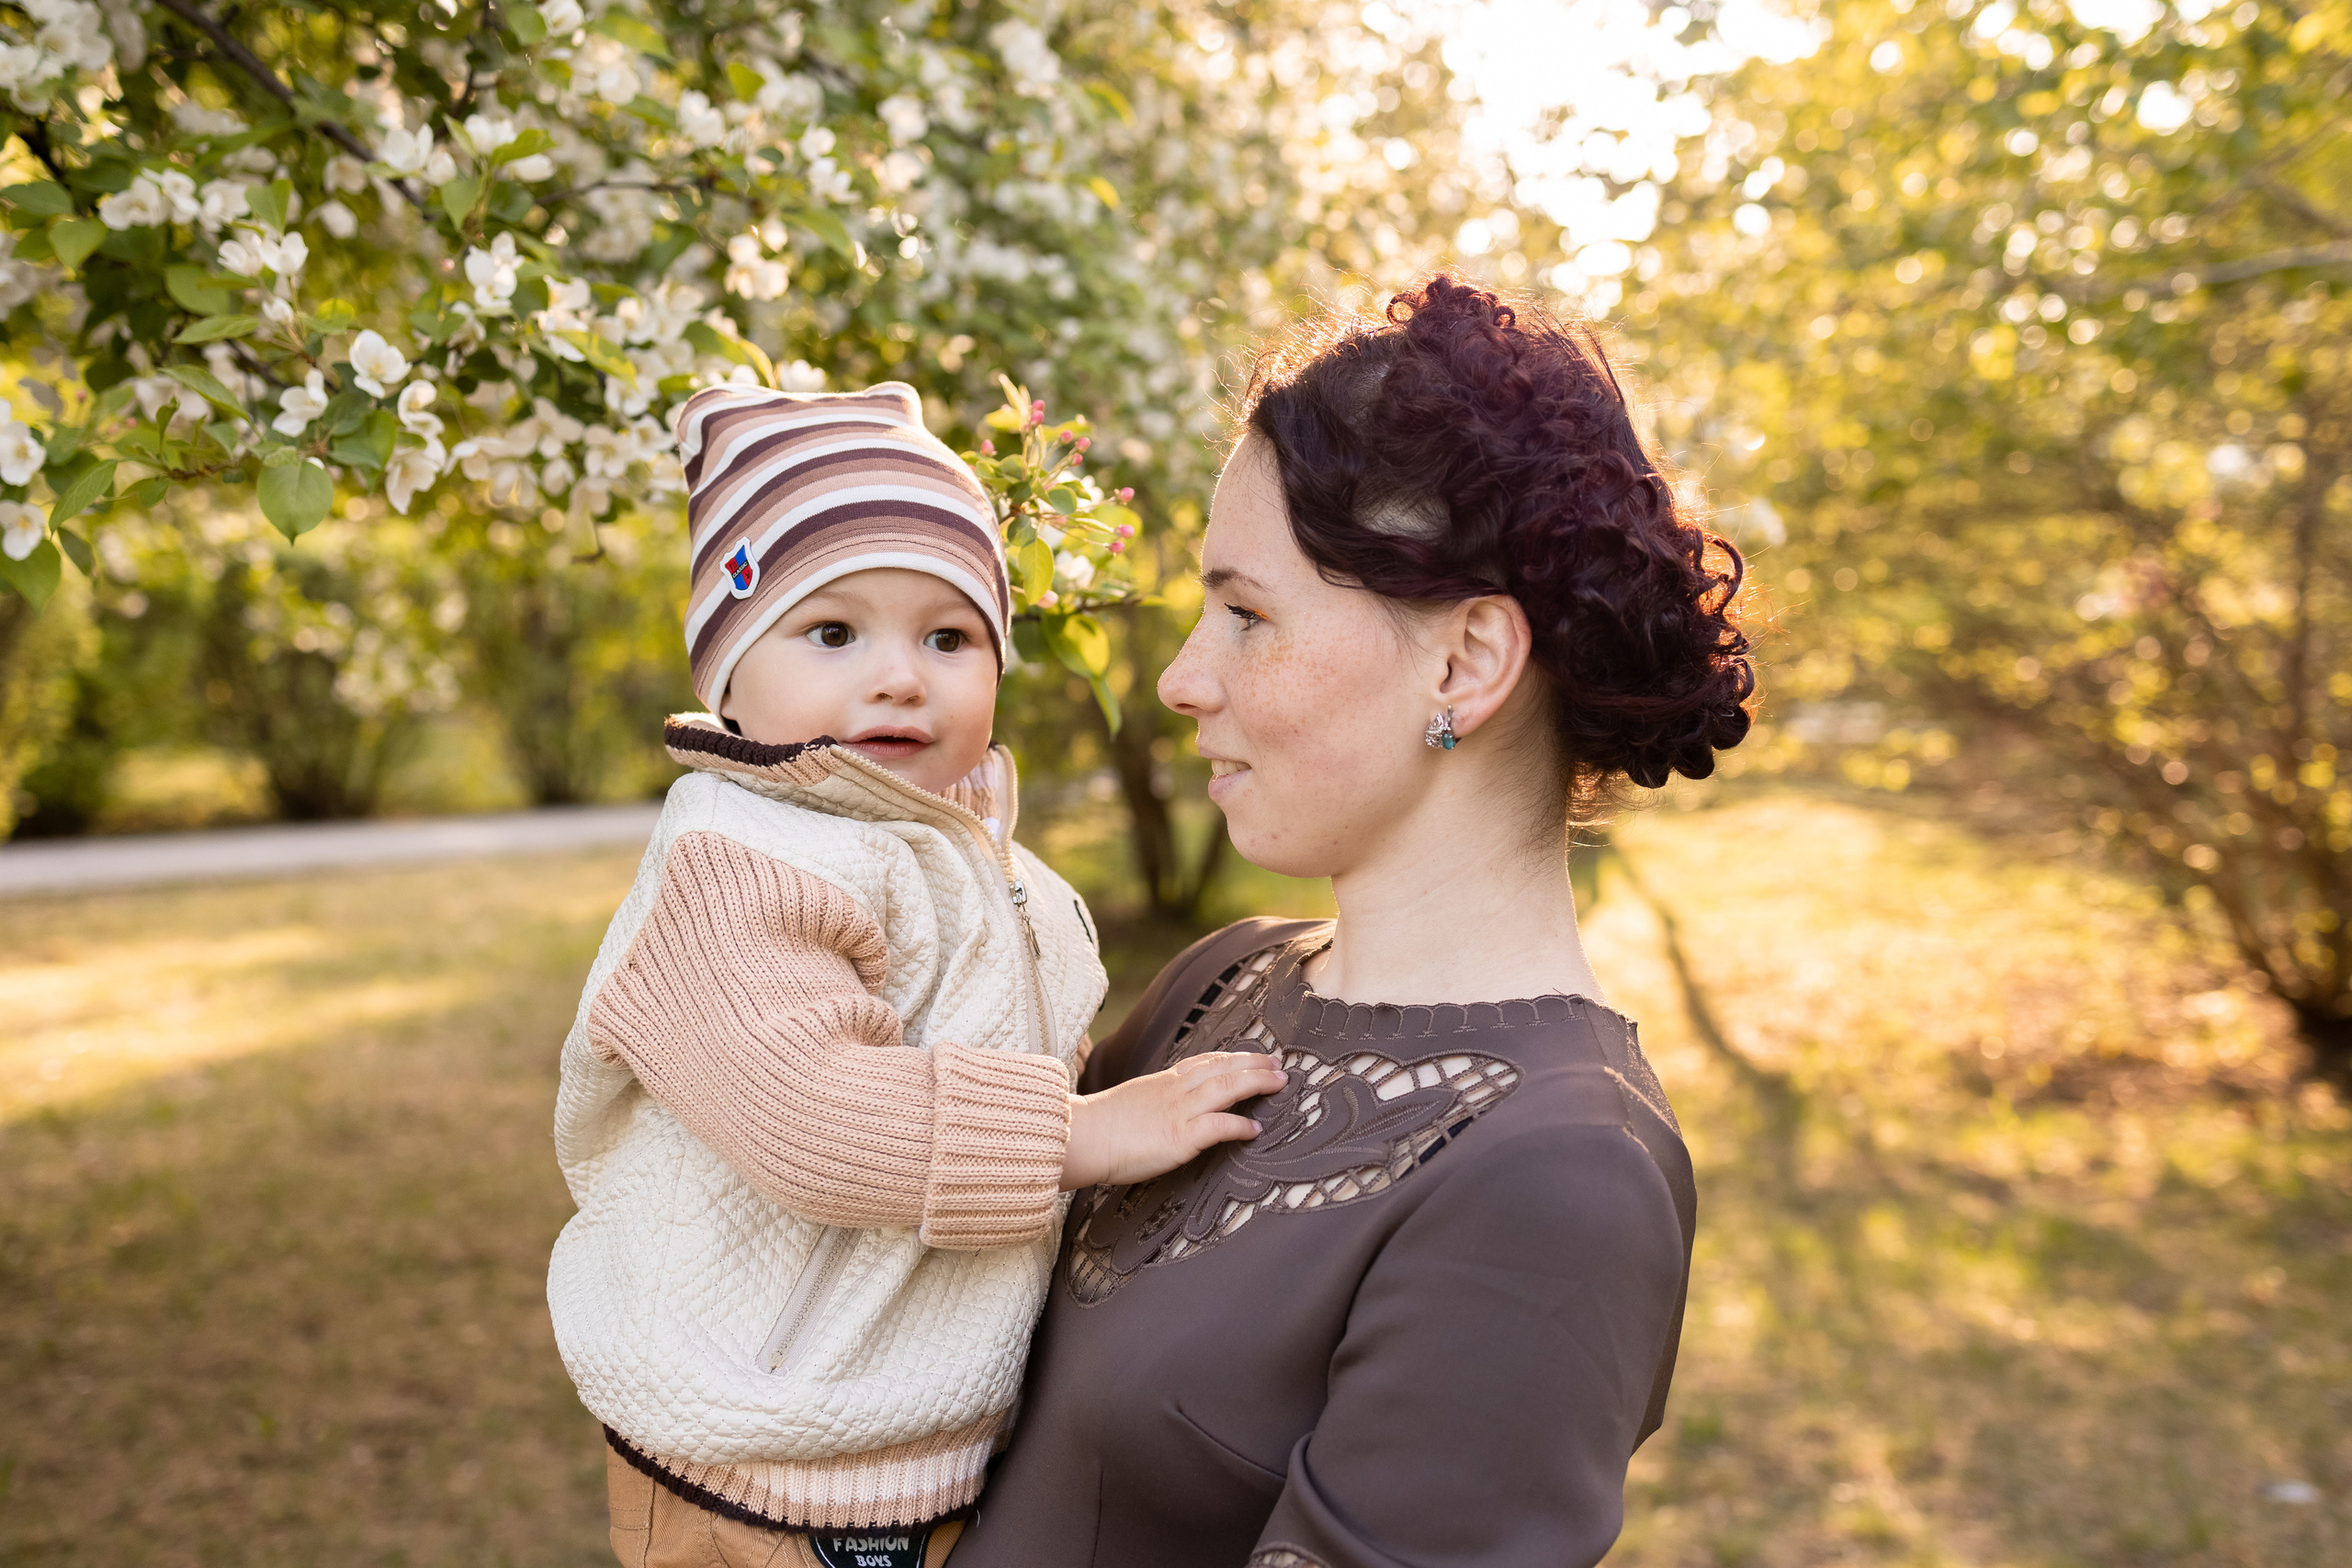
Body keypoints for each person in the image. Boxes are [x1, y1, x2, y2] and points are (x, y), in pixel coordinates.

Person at [953, 276, 1755, 1568]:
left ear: (1464, 664)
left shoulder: (1561, 1178)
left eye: (1248, 614)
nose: (1179, 677)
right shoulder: (1220, 985)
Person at [547, 381, 1286, 1568]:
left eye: (948, 638)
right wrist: (1078, 1136)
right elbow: (809, 1114)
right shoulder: (736, 864)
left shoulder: (1016, 882)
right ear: (727, 674)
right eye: (832, 633)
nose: (900, 677)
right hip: (754, 1460)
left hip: (925, 1449)